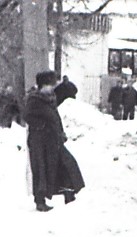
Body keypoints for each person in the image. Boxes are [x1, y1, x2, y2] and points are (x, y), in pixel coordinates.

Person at [24, 69, 84, 211]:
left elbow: (55, 117)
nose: (52, 87)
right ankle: (40, 201)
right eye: (49, 85)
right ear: (42, 86)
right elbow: (27, 116)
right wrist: (42, 126)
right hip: (39, 142)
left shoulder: (50, 98)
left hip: (54, 140)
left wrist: (60, 132)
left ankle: (69, 192)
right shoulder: (34, 100)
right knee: (41, 169)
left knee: (67, 163)